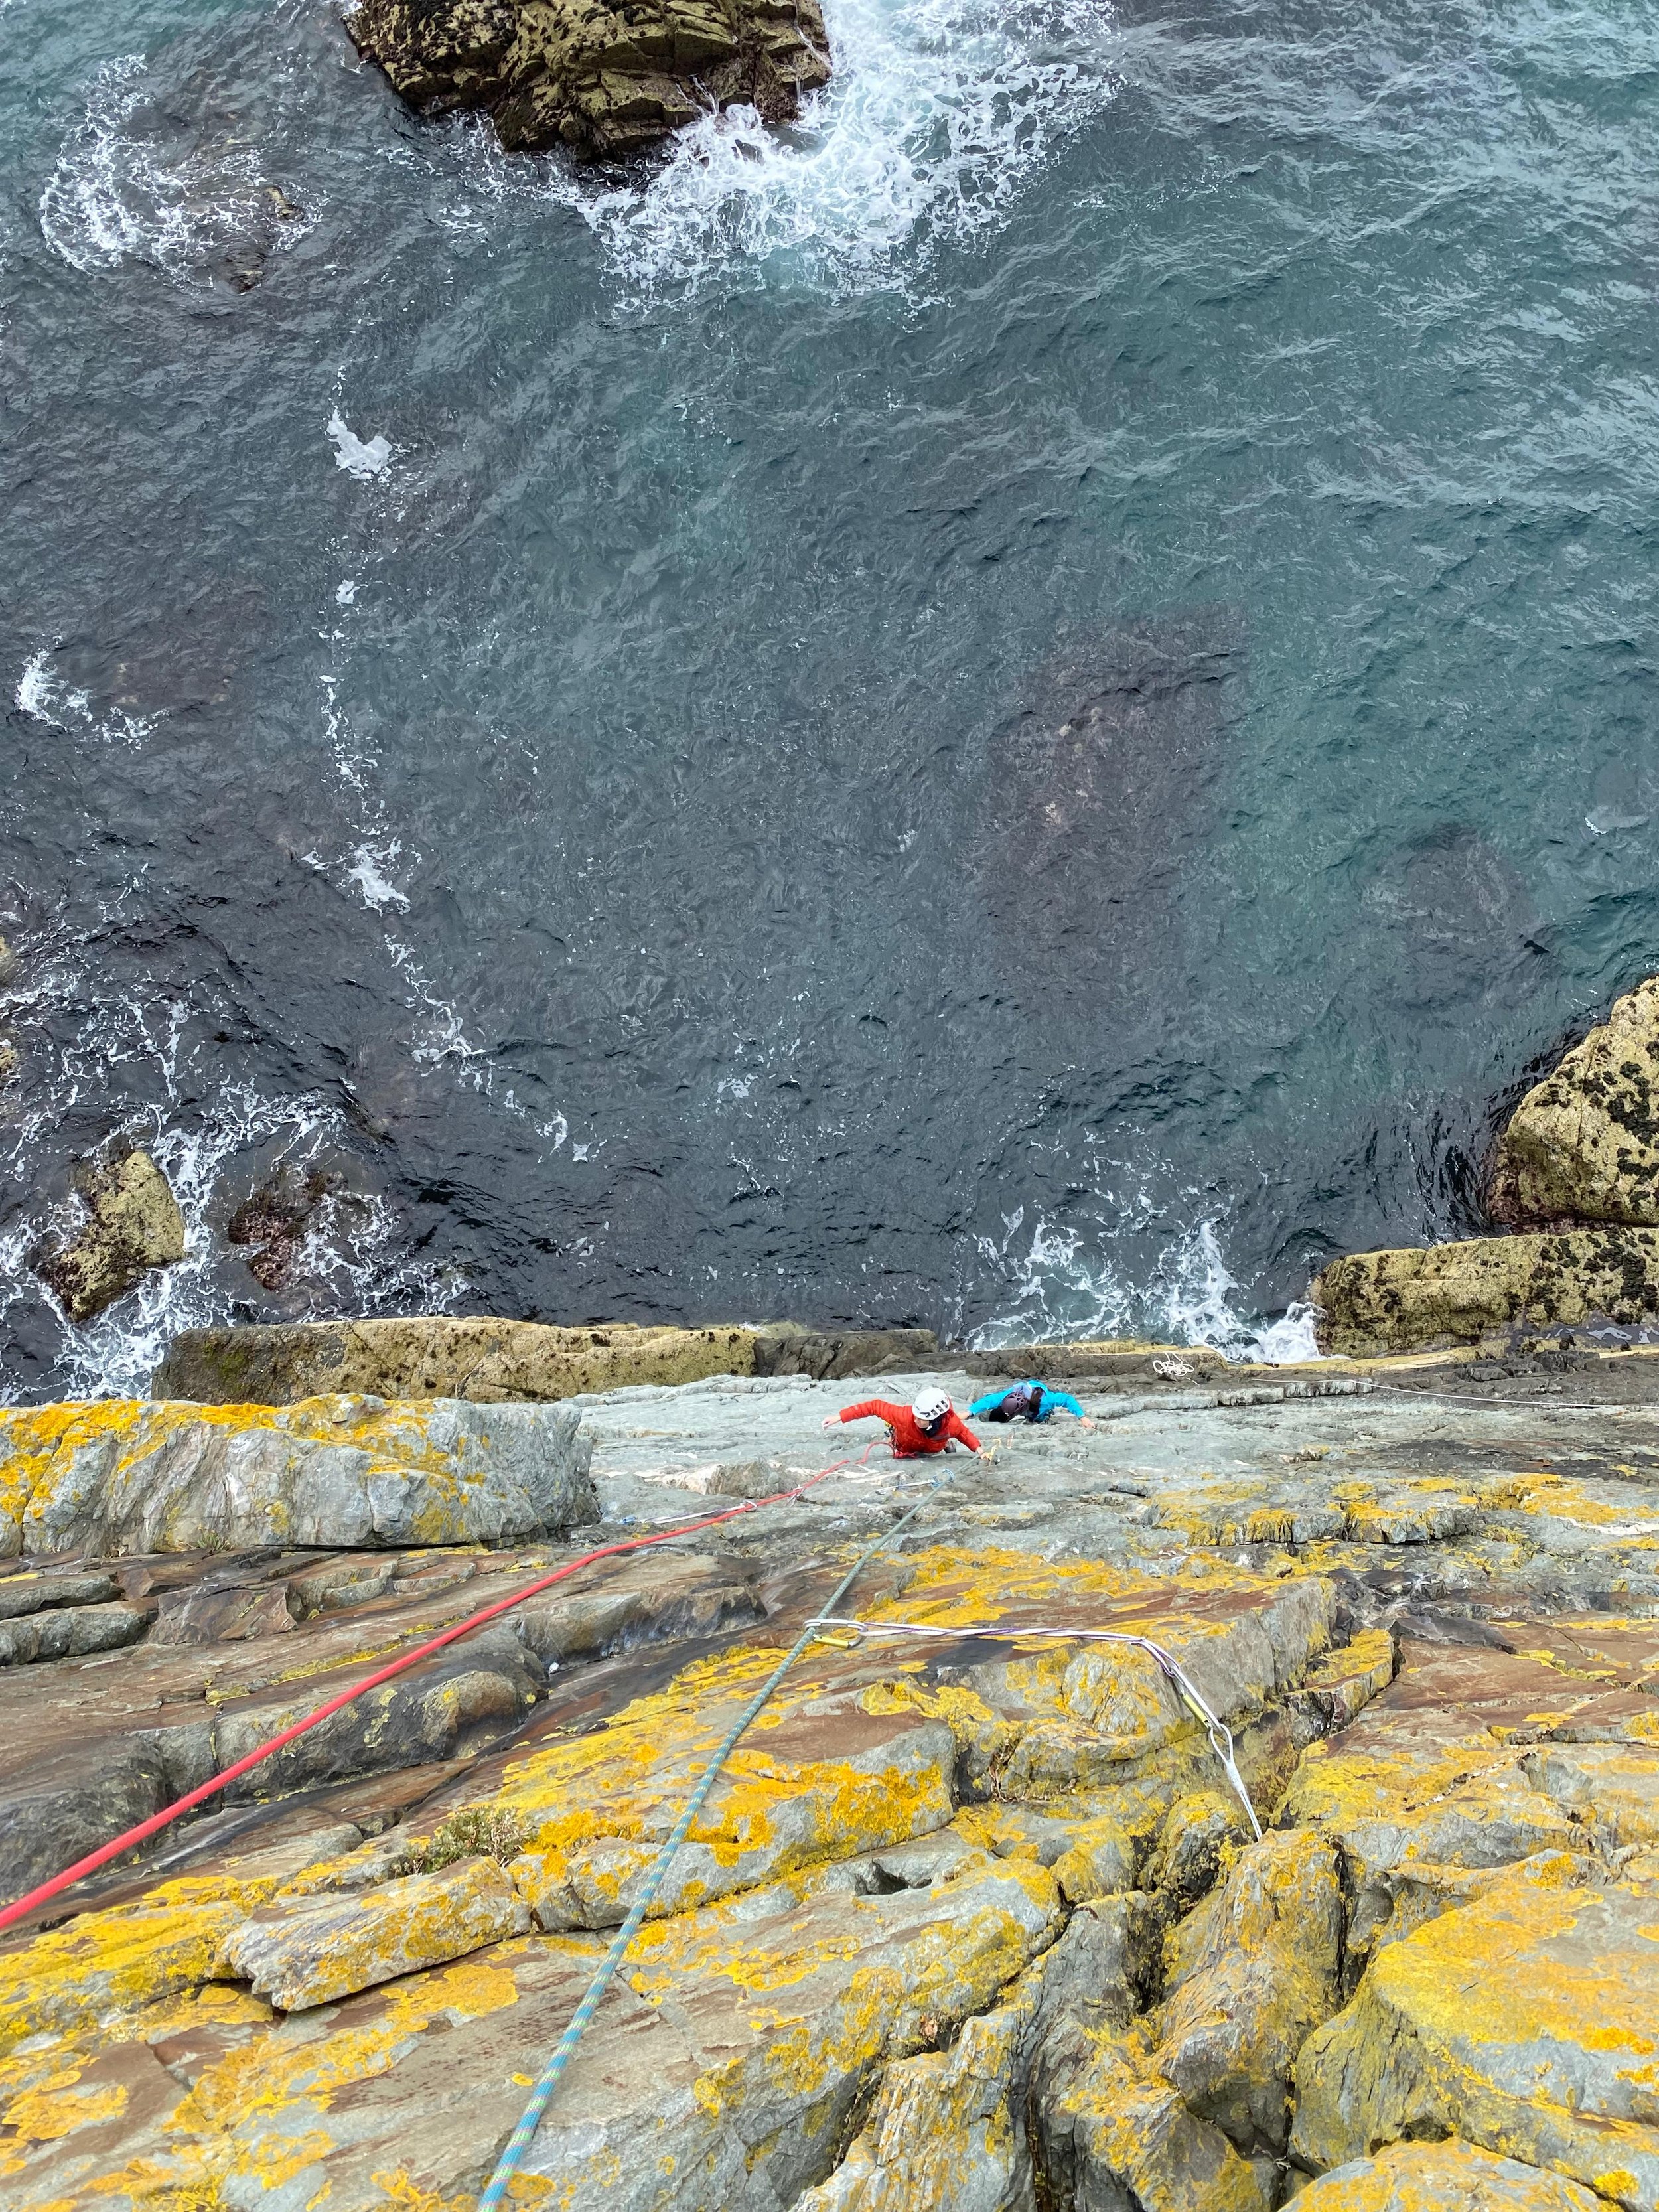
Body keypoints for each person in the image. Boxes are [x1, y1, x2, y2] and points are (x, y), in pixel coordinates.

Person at [823, 1386, 980, 1457]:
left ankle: (946, 1444)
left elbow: (964, 1433)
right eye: (916, 1416)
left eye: (922, 1419)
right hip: (904, 1447)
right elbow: (874, 1406)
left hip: (933, 1448)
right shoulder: (905, 1416)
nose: (916, 1420)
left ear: (935, 1419)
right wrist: (840, 1417)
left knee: (944, 1437)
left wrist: (979, 1450)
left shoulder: (952, 1424)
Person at [967, 1378, 1088, 1425]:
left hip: (1039, 1411)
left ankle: (1042, 1417)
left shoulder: (1047, 1400)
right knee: (1001, 1416)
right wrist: (969, 1412)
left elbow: (1067, 1399)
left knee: (1038, 1418)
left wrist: (1082, 1417)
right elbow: (990, 1400)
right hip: (1024, 1404)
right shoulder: (1010, 1394)